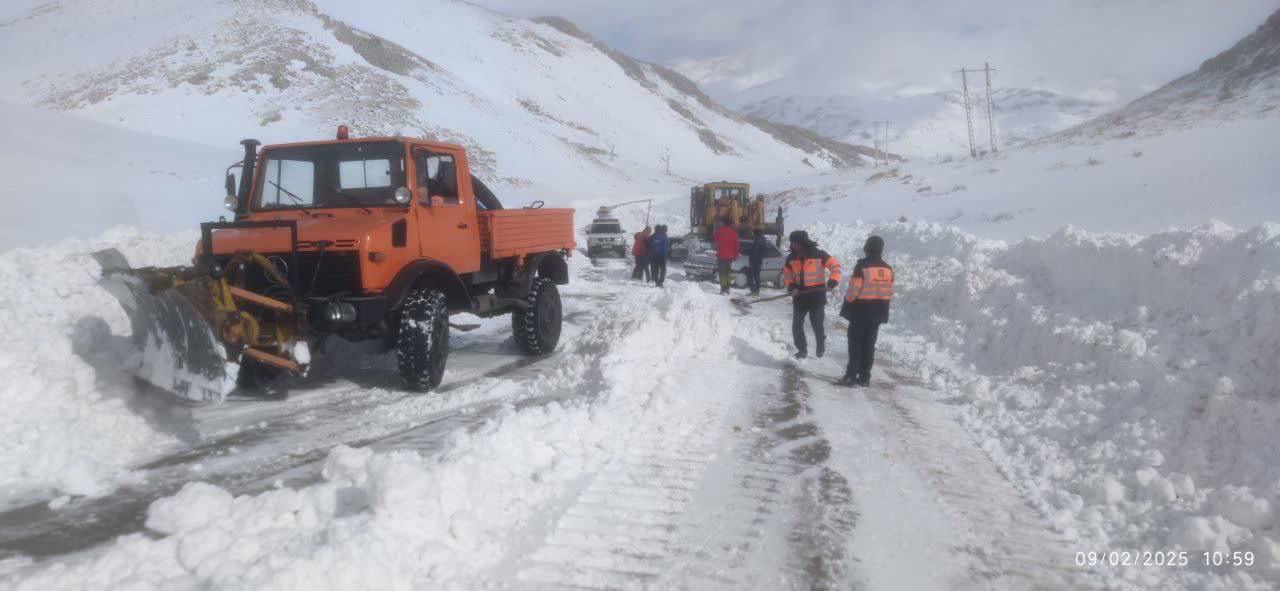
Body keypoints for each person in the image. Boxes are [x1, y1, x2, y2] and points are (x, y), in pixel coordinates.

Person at [837, 235, 894, 387]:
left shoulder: (862, 266)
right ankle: (864, 377)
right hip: (878, 313)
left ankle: (850, 376)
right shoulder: (888, 269)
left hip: (861, 311)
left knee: (855, 345)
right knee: (869, 346)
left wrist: (847, 302)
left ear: (867, 248)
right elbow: (889, 291)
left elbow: (854, 290)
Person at [782, 230, 841, 359]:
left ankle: (821, 342)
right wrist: (792, 287)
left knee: (817, 325)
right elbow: (787, 274)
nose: (793, 245)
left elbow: (835, 266)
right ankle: (802, 350)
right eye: (792, 243)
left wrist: (833, 281)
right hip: (800, 296)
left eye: (795, 243)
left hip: (816, 296)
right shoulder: (791, 258)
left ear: (802, 242)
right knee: (797, 326)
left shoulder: (819, 255)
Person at [713, 218, 740, 294]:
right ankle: (727, 289)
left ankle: (722, 289)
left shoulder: (719, 231)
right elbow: (736, 246)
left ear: (723, 224)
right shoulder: (734, 233)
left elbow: (715, 239)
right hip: (730, 257)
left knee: (722, 273)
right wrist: (736, 255)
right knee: (728, 273)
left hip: (721, 256)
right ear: (731, 224)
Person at [745, 230, 766, 296]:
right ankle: (756, 291)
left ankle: (754, 291)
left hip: (755, 261)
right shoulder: (762, 240)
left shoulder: (758, 241)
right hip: (759, 261)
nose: (752, 235)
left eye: (753, 233)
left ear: (756, 234)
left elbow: (755, 252)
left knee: (750, 277)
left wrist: (751, 260)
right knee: (756, 277)